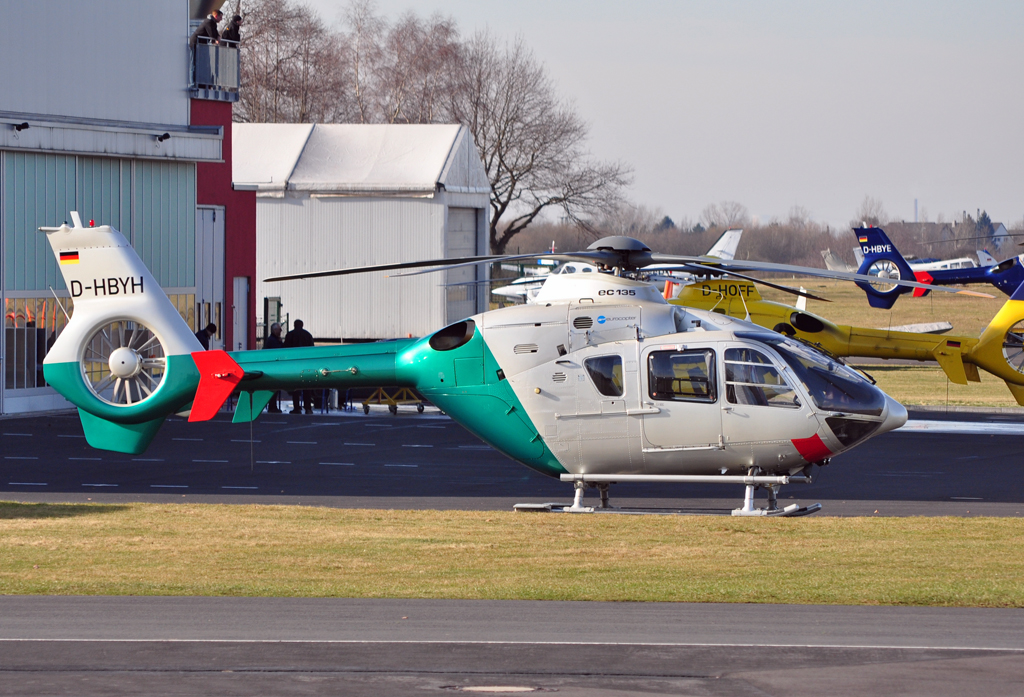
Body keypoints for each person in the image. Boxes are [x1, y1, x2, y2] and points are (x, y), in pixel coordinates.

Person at [283, 320, 315, 414]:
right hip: (306, 364)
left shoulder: (290, 335)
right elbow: (312, 348)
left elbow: (286, 348)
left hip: (294, 364)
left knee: (295, 387)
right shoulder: (308, 335)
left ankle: (297, 408)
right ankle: (308, 408)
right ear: (302, 325)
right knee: (306, 386)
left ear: (294, 325)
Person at [263, 322, 284, 413]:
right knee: (274, 387)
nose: (281, 331)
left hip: (273, 366)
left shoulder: (273, 339)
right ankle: (272, 406)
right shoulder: (272, 340)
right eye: (279, 329)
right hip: (273, 367)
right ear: (275, 330)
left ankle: (273, 406)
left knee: (275, 388)